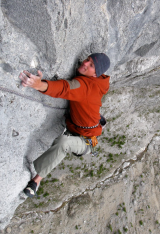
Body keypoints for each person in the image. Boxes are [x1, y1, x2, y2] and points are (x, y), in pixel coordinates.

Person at [19, 53, 110, 197]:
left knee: (63, 142)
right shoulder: (100, 81)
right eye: (88, 59)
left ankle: (36, 181)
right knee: (63, 140)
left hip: (86, 142)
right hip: (76, 127)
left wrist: (39, 85)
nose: (85, 64)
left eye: (91, 65)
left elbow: (65, 88)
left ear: (95, 74)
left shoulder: (85, 87)